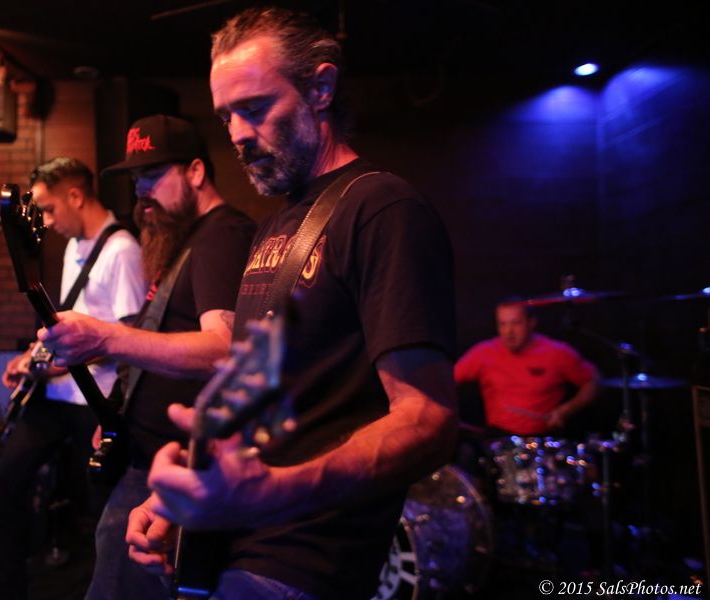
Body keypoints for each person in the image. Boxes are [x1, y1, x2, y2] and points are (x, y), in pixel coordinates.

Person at [125, 8, 458, 600]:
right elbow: (262, 396)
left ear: (321, 89)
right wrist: (187, 492)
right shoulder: (276, 225)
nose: (236, 134)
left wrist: (277, 491)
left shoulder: (382, 208)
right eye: (226, 116)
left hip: (305, 559)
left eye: (254, 108)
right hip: (233, 541)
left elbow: (428, 419)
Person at [36, 115, 256, 600]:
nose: (141, 191)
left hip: (175, 467)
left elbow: (223, 349)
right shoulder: (186, 240)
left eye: (153, 175)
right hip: (148, 464)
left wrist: (107, 337)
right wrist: (116, 410)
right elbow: (160, 340)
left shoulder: (222, 235)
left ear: (196, 172)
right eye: (136, 179)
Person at [0, 157, 146, 600]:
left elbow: (132, 338)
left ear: (75, 196)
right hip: (56, 395)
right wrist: (33, 357)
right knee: (5, 485)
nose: (46, 220)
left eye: (49, 208)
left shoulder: (122, 251)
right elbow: (68, 321)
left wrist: (61, 361)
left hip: (94, 400)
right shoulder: (74, 245)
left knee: (92, 510)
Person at [454, 297, 599, 435]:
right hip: (499, 438)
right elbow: (448, 380)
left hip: (544, 438)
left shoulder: (557, 353)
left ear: (531, 322)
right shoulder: (483, 352)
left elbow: (593, 382)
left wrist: (565, 410)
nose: (509, 331)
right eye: (503, 324)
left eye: (516, 323)